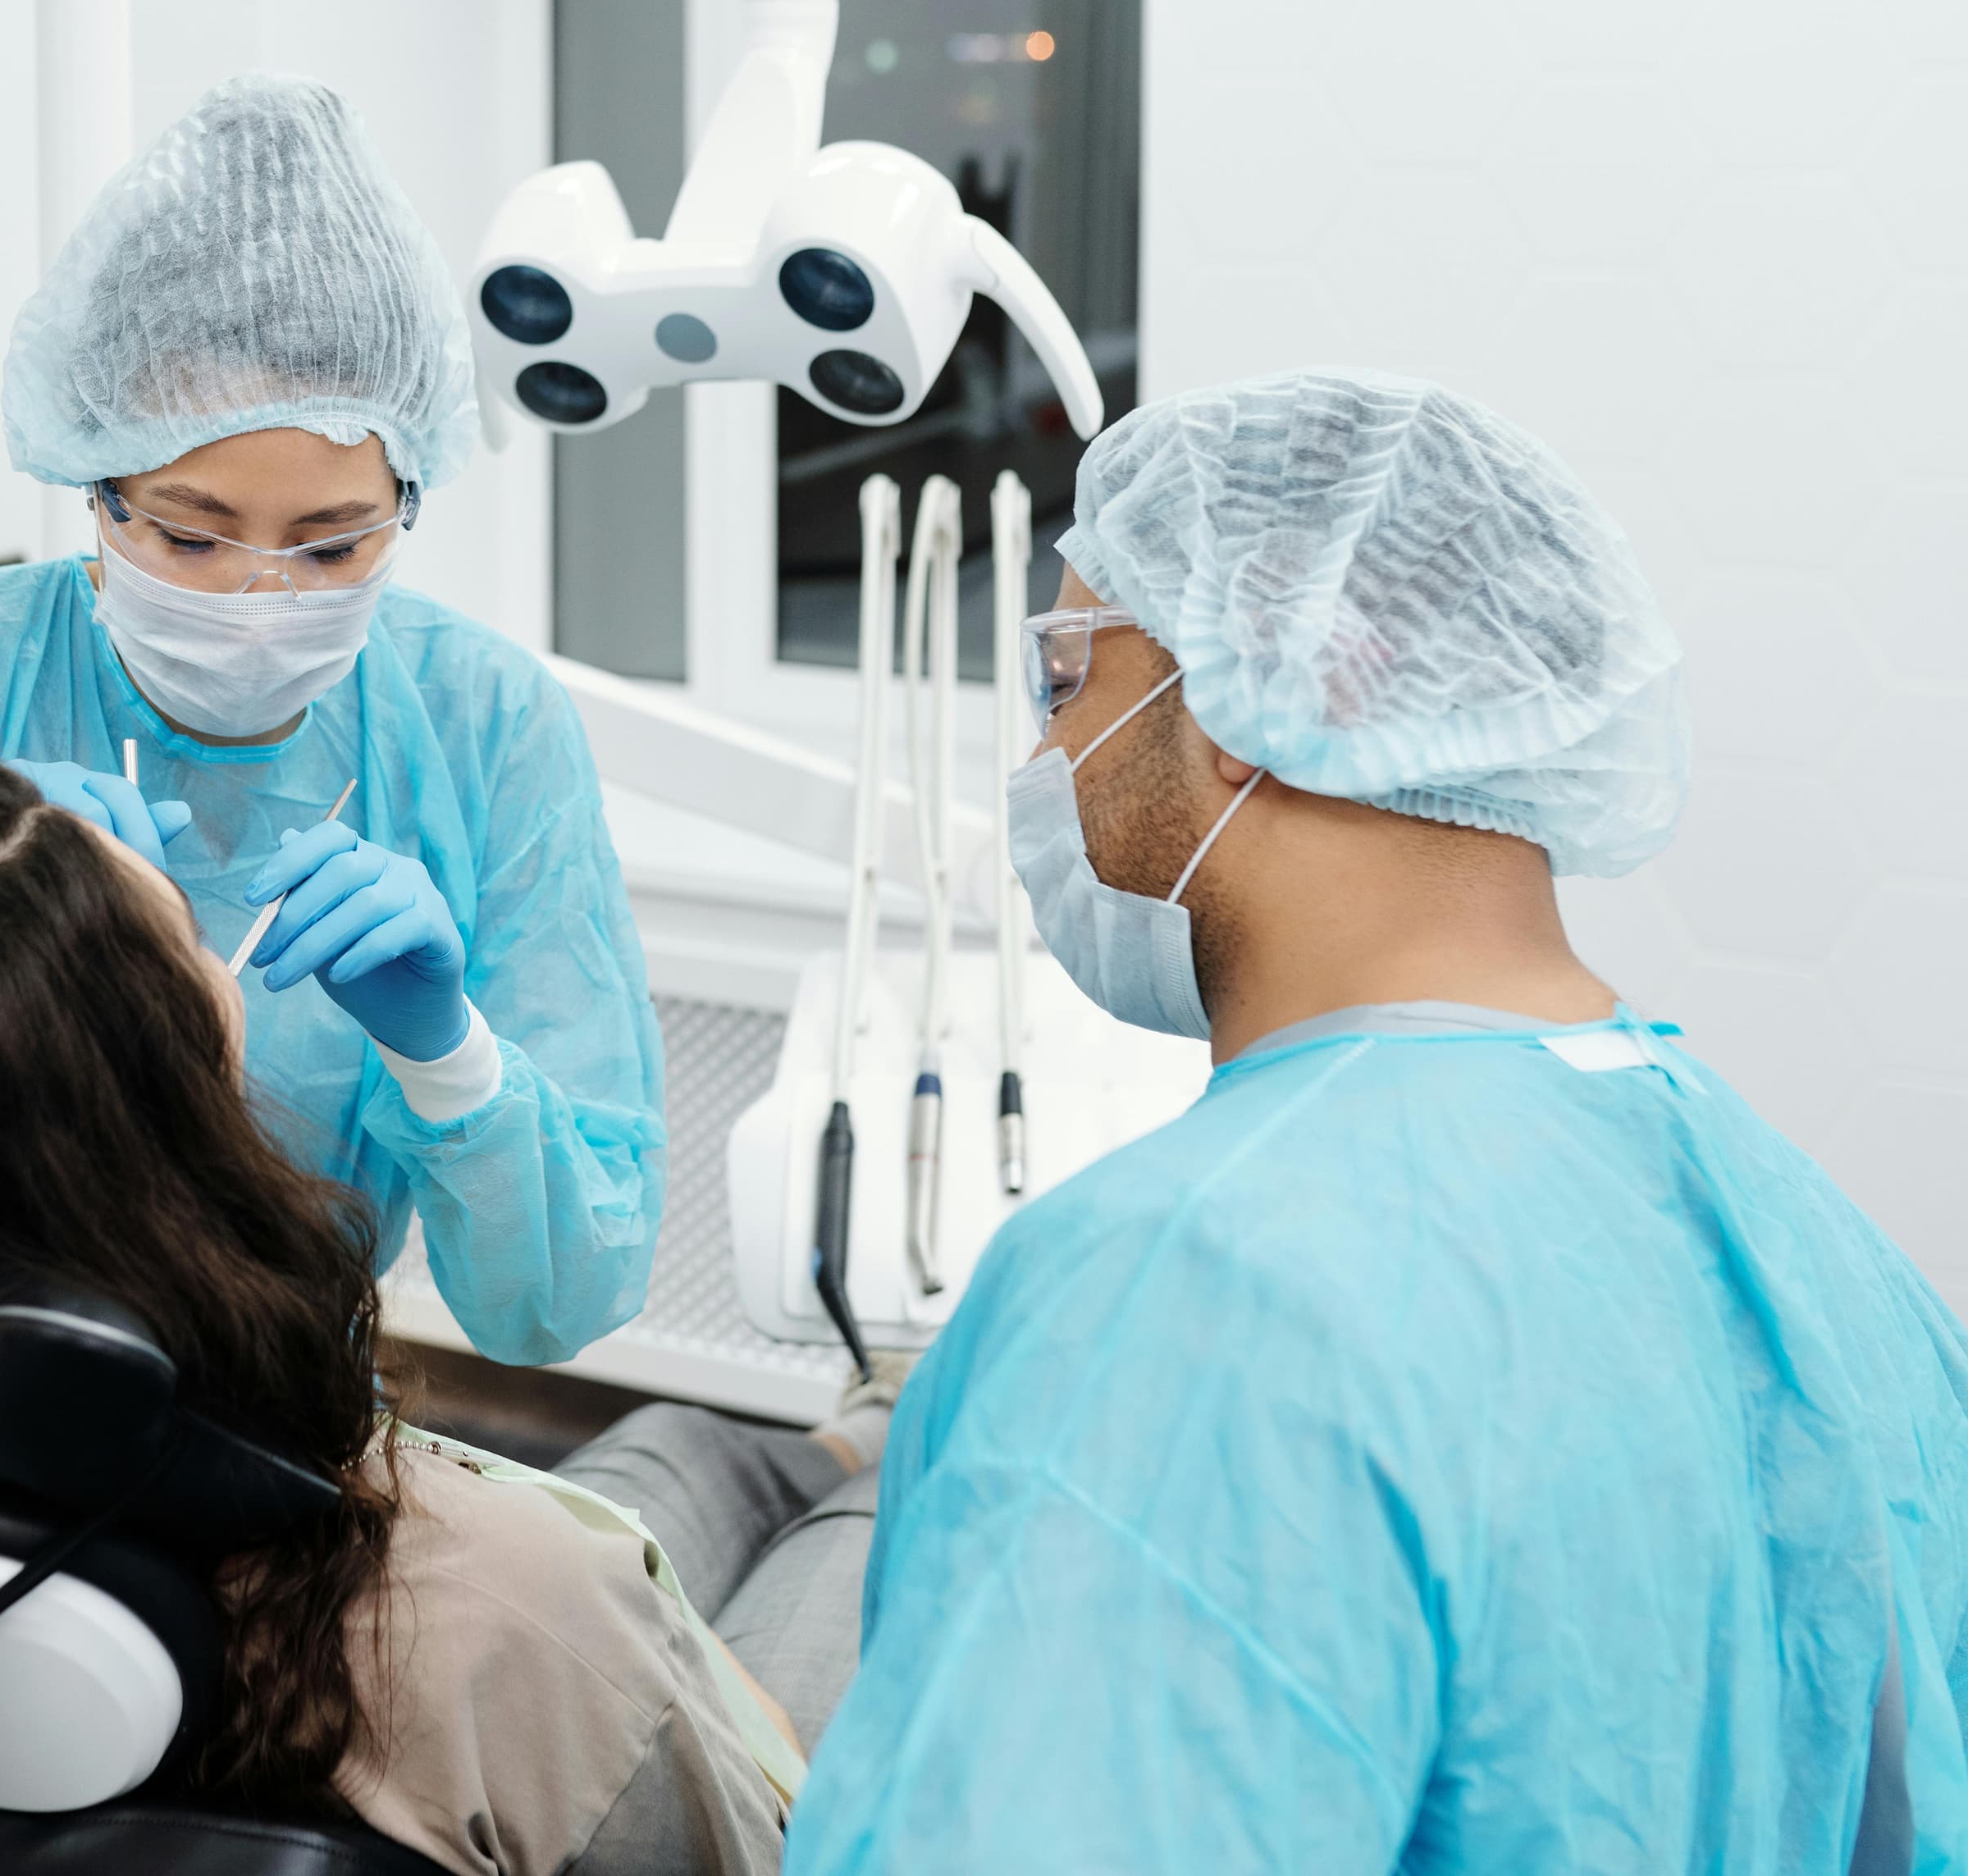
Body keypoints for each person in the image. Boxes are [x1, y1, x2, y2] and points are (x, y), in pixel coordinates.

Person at [788, 370, 1968, 1872]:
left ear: (1267, 698)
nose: (1043, 762)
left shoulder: (1184, 1298)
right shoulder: (1830, 1253)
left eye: (1068, 680)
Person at [0, 756, 888, 1874]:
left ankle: (839, 1442)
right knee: (876, 1506)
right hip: (602, 1690)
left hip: (523, 1648)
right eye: (190, 949)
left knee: (693, 1450)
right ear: (156, 1134)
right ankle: (879, 1439)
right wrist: (695, 1697)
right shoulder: (501, 1602)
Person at [0, 73, 662, 1367]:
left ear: (409, 493)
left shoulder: (482, 728)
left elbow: (558, 1304)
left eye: (331, 547)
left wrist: (452, 1061)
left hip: (271, 1405)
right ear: (95, 483)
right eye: (194, 535)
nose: (259, 598)